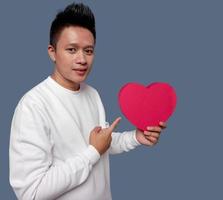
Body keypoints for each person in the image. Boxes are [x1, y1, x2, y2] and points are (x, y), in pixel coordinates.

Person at [9, 3, 166, 200]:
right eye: (72, 50)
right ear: (52, 52)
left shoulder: (92, 94)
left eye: (89, 51)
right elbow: (31, 192)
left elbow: (102, 142)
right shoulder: (33, 106)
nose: (82, 59)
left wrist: (136, 137)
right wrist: (92, 152)